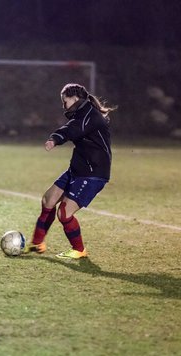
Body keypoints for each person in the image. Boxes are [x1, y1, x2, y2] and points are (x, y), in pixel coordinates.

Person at [24, 83, 116, 259]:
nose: (63, 106)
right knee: (48, 200)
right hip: (78, 168)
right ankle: (37, 243)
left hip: (93, 173)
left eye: (64, 102)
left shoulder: (90, 116)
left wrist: (55, 139)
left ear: (75, 99)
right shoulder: (84, 114)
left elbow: (72, 129)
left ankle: (79, 250)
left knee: (64, 213)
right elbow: (74, 126)